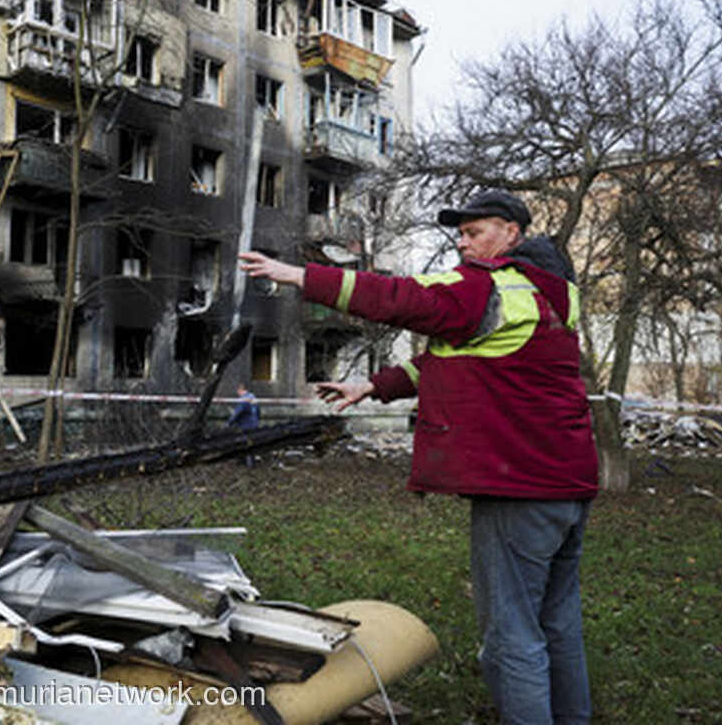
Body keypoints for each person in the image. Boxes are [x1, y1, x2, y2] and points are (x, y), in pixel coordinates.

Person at [240, 190, 598, 725]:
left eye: (475, 231)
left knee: (511, 636)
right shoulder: (554, 297)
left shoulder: (484, 286)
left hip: (517, 488)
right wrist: (374, 386)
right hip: (568, 485)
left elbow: (400, 296)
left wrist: (299, 277)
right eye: (460, 233)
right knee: (558, 623)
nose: (462, 242)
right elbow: (464, 358)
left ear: (511, 234)